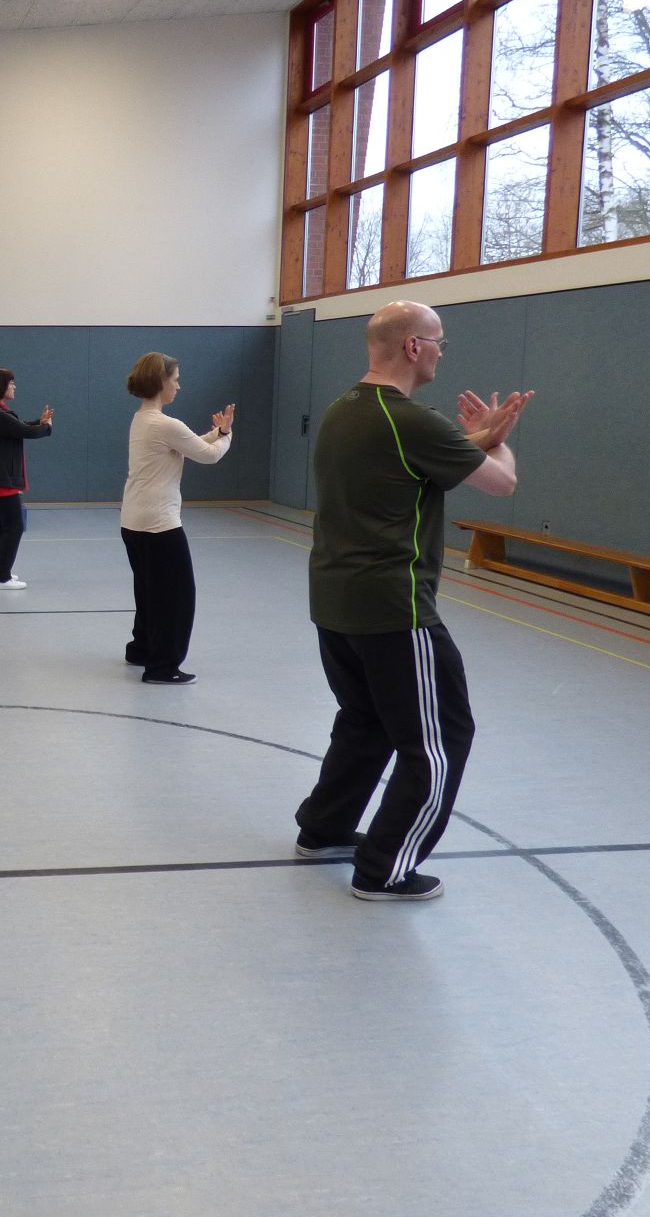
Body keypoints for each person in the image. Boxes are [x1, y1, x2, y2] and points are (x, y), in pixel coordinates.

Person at [293, 300, 531, 901]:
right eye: (439, 342)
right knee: (442, 737)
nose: (442, 352)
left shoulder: (345, 410)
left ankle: (323, 828)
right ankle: (385, 868)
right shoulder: (411, 421)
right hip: (393, 609)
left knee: (365, 720)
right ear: (413, 346)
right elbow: (501, 482)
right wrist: (499, 442)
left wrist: (473, 439)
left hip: (336, 601)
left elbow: (418, 459)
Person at [119, 352, 236, 684]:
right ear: (161, 382)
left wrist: (217, 432)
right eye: (175, 380)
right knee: (177, 597)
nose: (179, 386)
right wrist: (226, 435)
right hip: (159, 525)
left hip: (134, 521)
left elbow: (189, 445)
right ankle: (163, 666)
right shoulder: (165, 424)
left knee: (149, 590)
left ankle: (142, 649)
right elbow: (208, 455)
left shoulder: (143, 419)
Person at [0, 367, 52, 589]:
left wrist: (39, 421)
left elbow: (20, 427)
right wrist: (45, 427)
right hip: (1, 480)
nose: (14, 386)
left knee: (4, 527)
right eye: (11, 383)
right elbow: (27, 432)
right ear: (1, 387)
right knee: (14, 527)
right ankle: (1, 578)